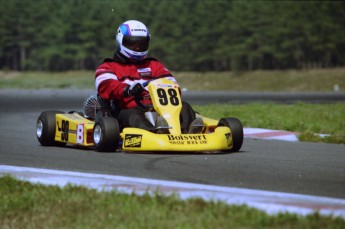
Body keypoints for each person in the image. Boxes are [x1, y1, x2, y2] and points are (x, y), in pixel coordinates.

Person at [95, 20, 202, 134]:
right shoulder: (108, 66)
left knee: (184, 107)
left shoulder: (154, 65)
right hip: (128, 110)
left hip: (161, 109)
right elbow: (105, 86)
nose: (137, 48)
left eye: (141, 44)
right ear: (121, 41)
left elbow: (172, 84)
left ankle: (188, 132)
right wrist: (127, 89)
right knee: (133, 115)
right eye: (133, 44)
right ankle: (154, 133)